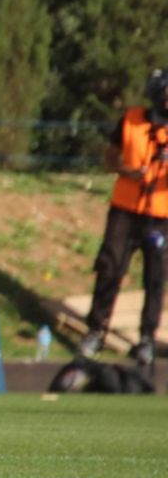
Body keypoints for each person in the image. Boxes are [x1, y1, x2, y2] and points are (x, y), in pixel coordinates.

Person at [78, 68, 168, 368]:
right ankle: (96, 329)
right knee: (110, 266)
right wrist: (128, 171)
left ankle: (146, 338)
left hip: (161, 215)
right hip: (125, 210)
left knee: (156, 277)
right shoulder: (131, 120)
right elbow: (110, 156)